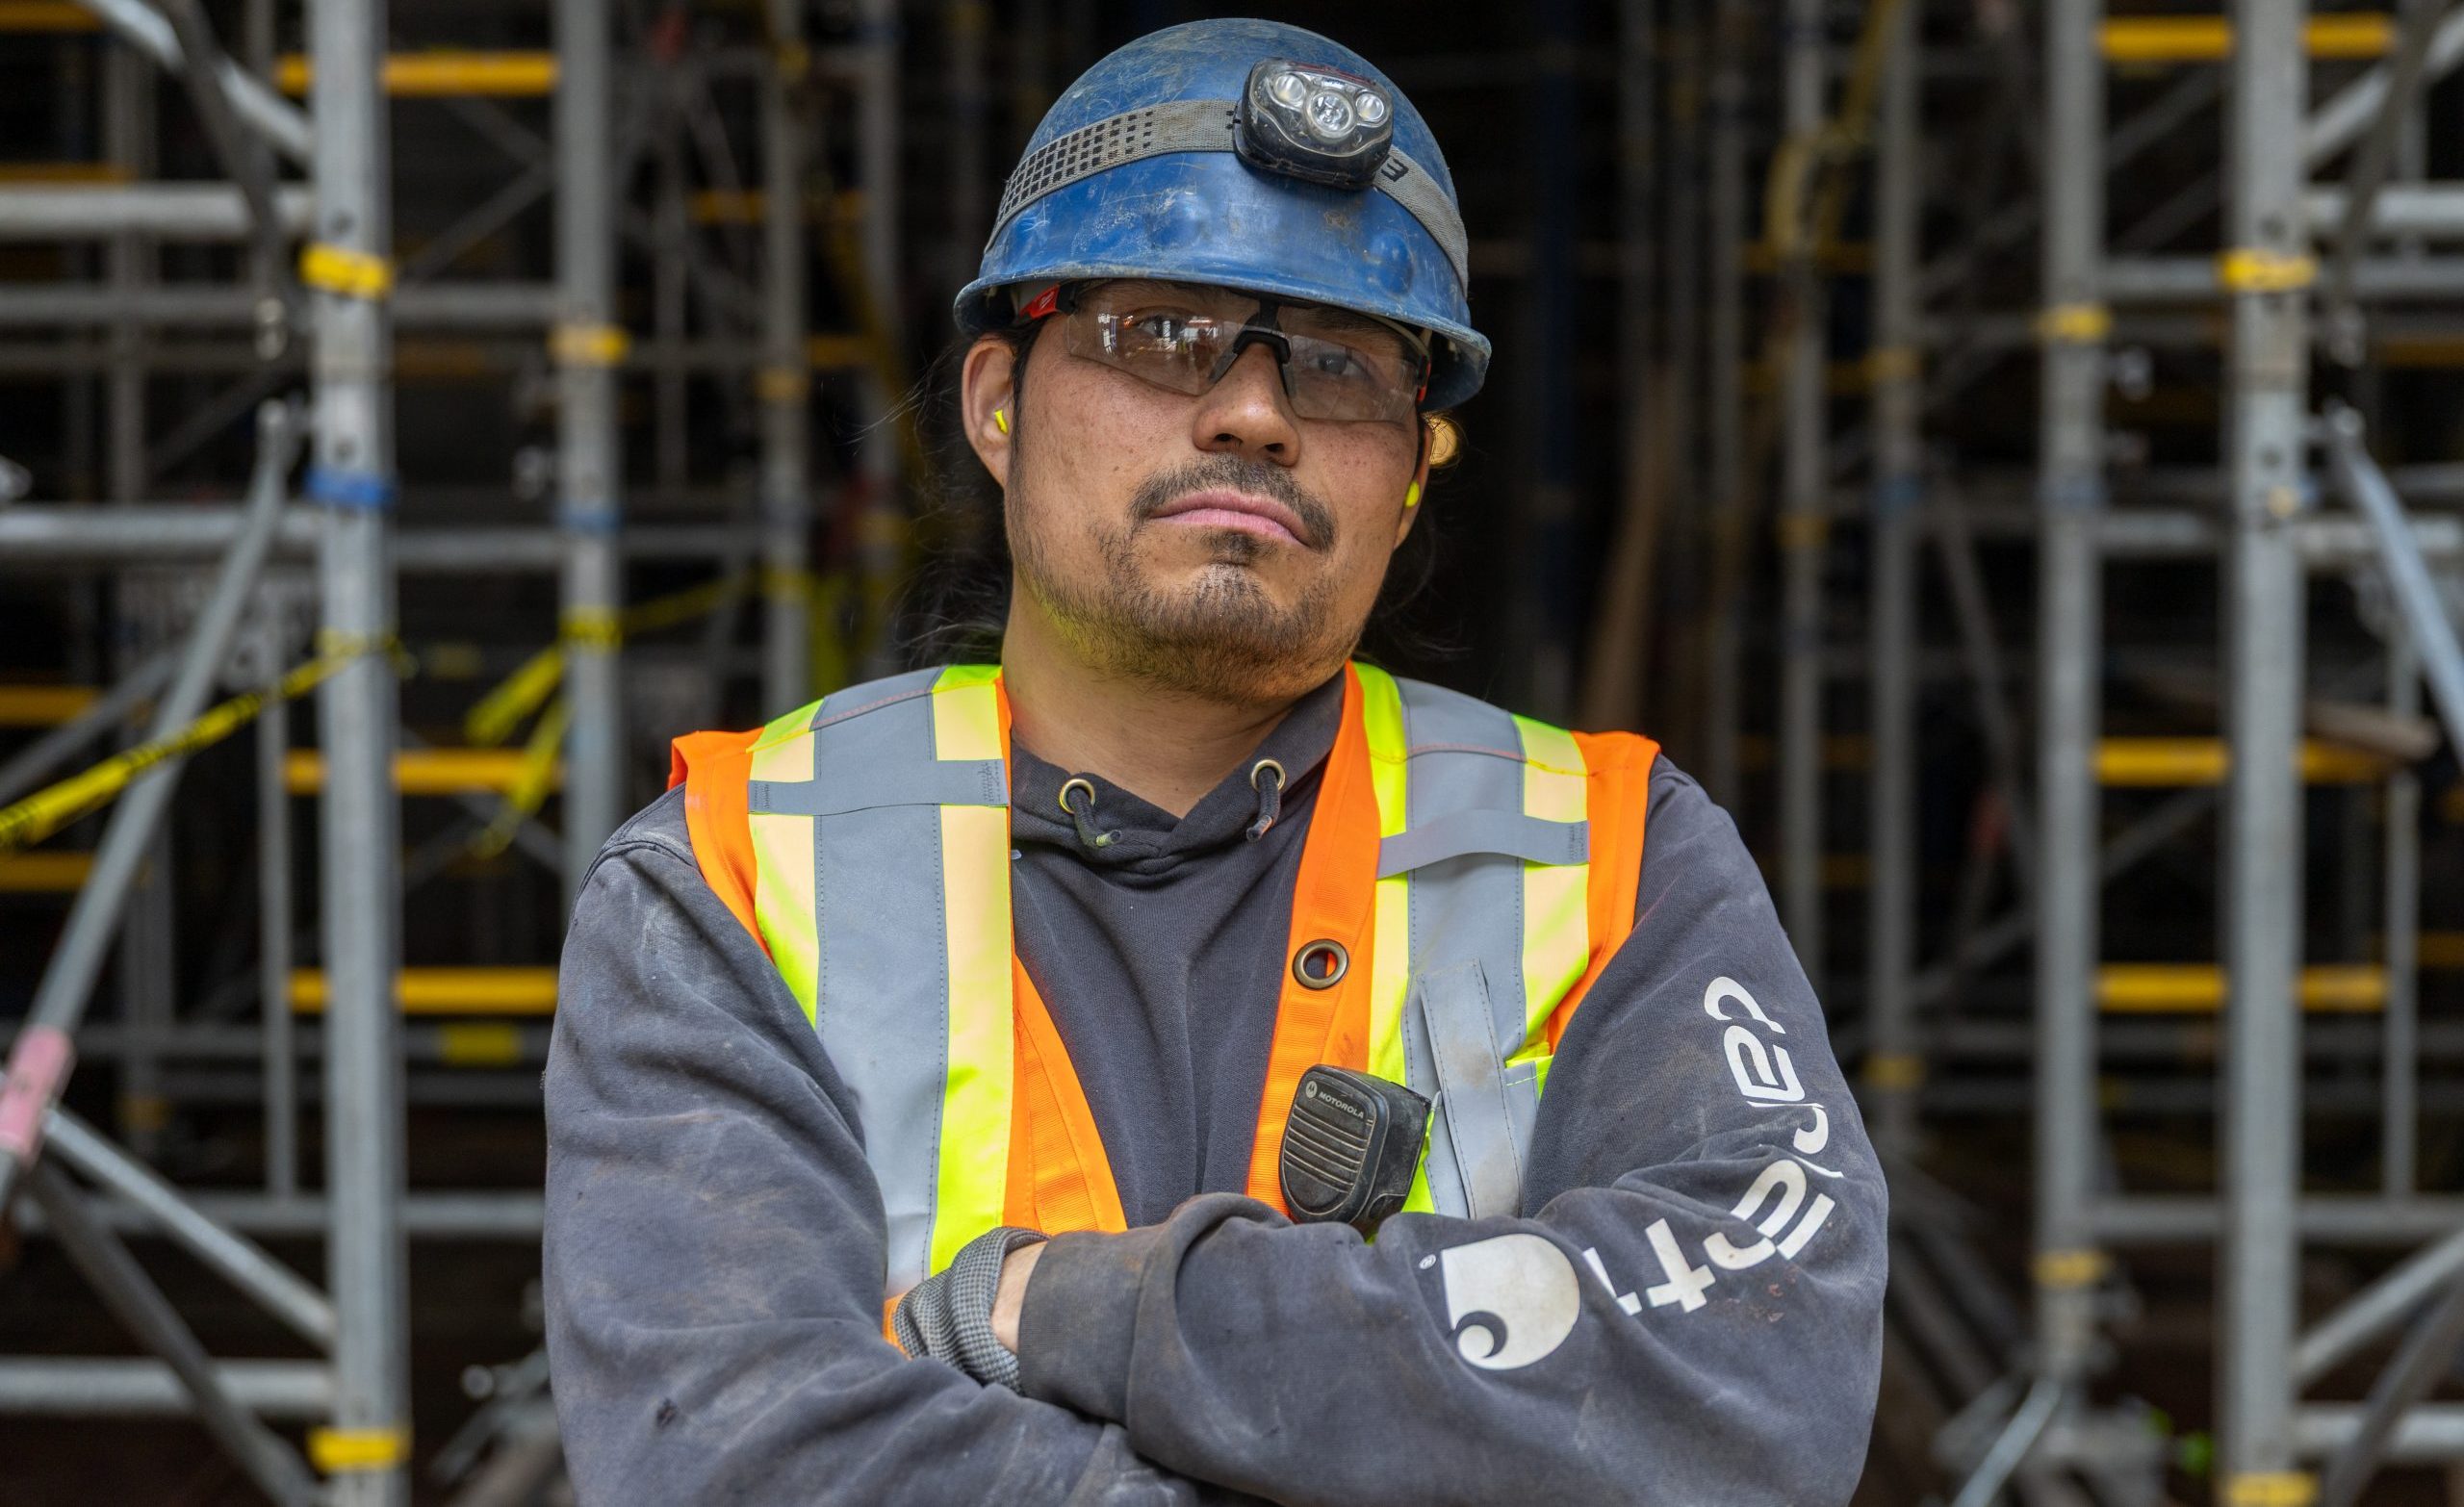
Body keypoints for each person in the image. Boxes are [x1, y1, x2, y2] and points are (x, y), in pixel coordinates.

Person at [544, 19, 1885, 1504]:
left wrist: (1082, 1312)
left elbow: (1758, 1393)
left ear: (1415, 470)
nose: (1253, 410)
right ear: (998, 404)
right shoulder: (732, 874)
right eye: (1160, 330)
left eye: (1339, 364)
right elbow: (734, 1460)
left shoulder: (1618, 859)